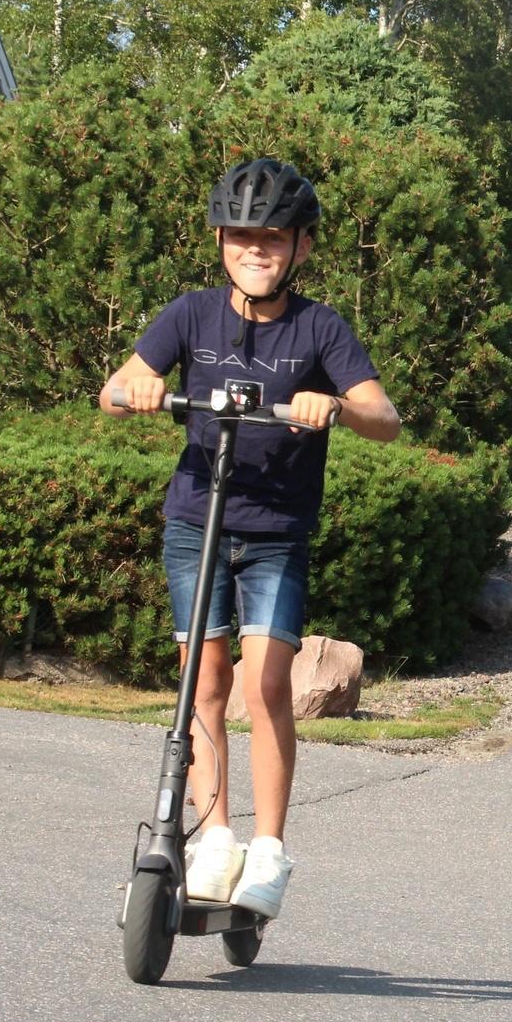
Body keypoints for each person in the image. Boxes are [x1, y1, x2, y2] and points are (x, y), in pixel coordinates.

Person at [100, 158, 401, 919]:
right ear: (221, 240)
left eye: (271, 238)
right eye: (241, 236)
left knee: (265, 685)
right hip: (194, 524)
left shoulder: (320, 328)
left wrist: (333, 404)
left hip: (274, 534)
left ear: (300, 246)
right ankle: (215, 837)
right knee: (201, 684)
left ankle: (268, 848)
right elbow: (115, 388)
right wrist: (133, 390)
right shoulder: (191, 316)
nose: (255, 250)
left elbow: (385, 418)